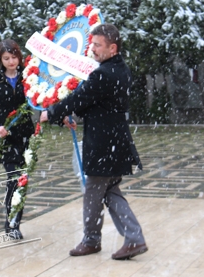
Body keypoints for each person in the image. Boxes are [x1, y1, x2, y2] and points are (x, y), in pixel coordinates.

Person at [40, 24, 148, 259]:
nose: (93, 49)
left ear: (113, 47)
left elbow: (81, 97)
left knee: (93, 192)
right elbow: (93, 102)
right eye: (92, 44)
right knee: (110, 191)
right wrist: (67, 115)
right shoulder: (121, 70)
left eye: (98, 45)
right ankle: (133, 238)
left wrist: (53, 112)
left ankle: (92, 240)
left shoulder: (103, 74)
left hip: (103, 144)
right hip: (115, 141)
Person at [0, 39, 34, 240]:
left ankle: (15, 222)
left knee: (22, 181)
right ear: (0, 59)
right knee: (13, 178)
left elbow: (38, 100)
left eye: (14, 57)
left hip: (27, 136)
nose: (11, 61)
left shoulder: (28, 77)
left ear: (19, 57)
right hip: (7, 138)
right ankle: (11, 223)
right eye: (6, 58)